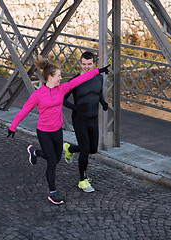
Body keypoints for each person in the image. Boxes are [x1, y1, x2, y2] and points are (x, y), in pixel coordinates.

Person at [7, 55, 109, 205]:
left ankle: (35, 152)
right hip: (44, 132)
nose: (61, 78)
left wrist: (98, 70)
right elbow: (24, 110)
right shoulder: (38, 94)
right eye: (59, 75)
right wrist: (13, 126)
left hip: (57, 130)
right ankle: (52, 192)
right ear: (49, 77)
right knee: (52, 162)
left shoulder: (62, 89)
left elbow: (80, 79)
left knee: (57, 158)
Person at [62, 51, 109, 193]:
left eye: (89, 64)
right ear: (80, 63)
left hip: (93, 118)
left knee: (93, 149)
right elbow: (62, 98)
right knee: (84, 150)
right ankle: (82, 180)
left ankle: (70, 149)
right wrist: (74, 107)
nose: (86, 67)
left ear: (94, 64)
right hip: (80, 119)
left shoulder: (98, 78)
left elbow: (98, 92)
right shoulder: (75, 80)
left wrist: (103, 102)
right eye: (84, 64)